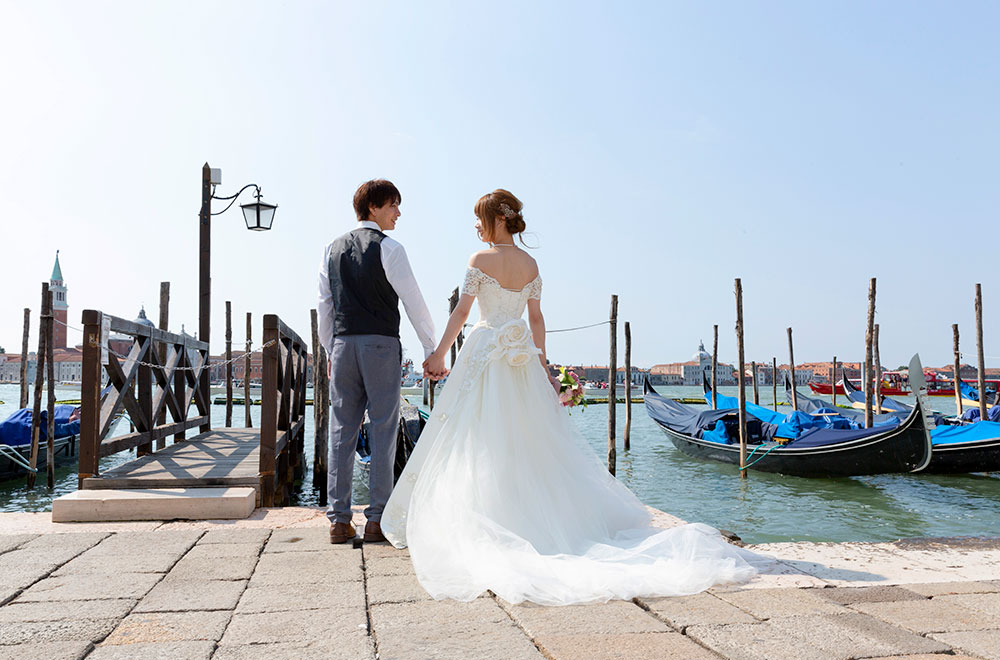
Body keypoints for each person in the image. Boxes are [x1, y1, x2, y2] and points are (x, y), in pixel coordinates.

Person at [381, 189, 766, 606]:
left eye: (478, 218)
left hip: (486, 351)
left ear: (495, 219)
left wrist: (439, 353)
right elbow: (536, 319)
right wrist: (542, 365)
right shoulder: (530, 264)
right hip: (520, 355)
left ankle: (488, 518)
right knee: (528, 440)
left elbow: (461, 313)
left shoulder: (479, 260)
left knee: (475, 437)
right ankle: (529, 518)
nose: (475, 226)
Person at [318, 179, 436, 545]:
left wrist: (329, 352)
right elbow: (414, 302)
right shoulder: (391, 248)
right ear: (373, 207)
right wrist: (432, 348)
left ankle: (338, 521)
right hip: (381, 346)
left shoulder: (330, 248)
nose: (398, 213)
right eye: (393, 206)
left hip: (343, 345)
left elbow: (325, 306)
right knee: (384, 429)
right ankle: (376, 520)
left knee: (341, 430)